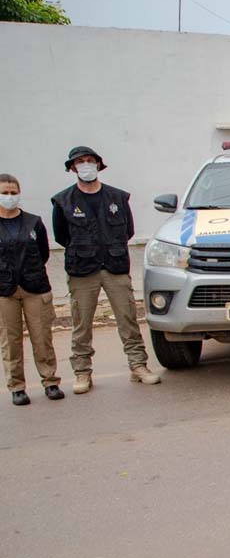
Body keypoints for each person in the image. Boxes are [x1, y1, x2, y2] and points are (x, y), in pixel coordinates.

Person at [51, 146, 160, 394]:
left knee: (128, 318)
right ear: (72, 168)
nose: (86, 165)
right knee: (81, 323)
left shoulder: (117, 198)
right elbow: (62, 236)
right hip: (82, 269)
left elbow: (128, 231)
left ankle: (138, 365)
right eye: (80, 161)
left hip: (115, 266)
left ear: (98, 164)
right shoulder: (63, 201)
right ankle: (82, 372)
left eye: (90, 160)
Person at [0, 174, 62, 406]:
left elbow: (43, 252)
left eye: (13, 192)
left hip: (34, 287)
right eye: (4, 193)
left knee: (42, 337)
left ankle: (50, 381)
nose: (9, 197)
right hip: (4, 290)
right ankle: (17, 387)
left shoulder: (33, 222)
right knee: (10, 341)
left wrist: (29, 272)